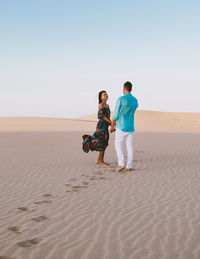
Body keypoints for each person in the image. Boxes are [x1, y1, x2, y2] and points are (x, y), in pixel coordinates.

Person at [111, 81, 138, 171]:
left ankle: (121, 163)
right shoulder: (135, 100)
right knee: (129, 146)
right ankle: (129, 166)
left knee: (118, 144)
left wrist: (112, 126)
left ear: (125, 88)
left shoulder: (121, 99)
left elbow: (115, 115)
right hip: (130, 126)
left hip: (121, 126)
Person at [82, 91, 113, 165]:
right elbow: (102, 116)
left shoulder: (107, 105)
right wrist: (112, 123)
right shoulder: (101, 105)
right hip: (101, 126)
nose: (106, 95)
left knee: (104, 142)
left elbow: (107, 117)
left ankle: (99, 160)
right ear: (100, 97)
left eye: (106, 94)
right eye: (104, 94)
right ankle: (101, 161)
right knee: (102, 142)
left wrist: (111, 125)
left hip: (105, 125)